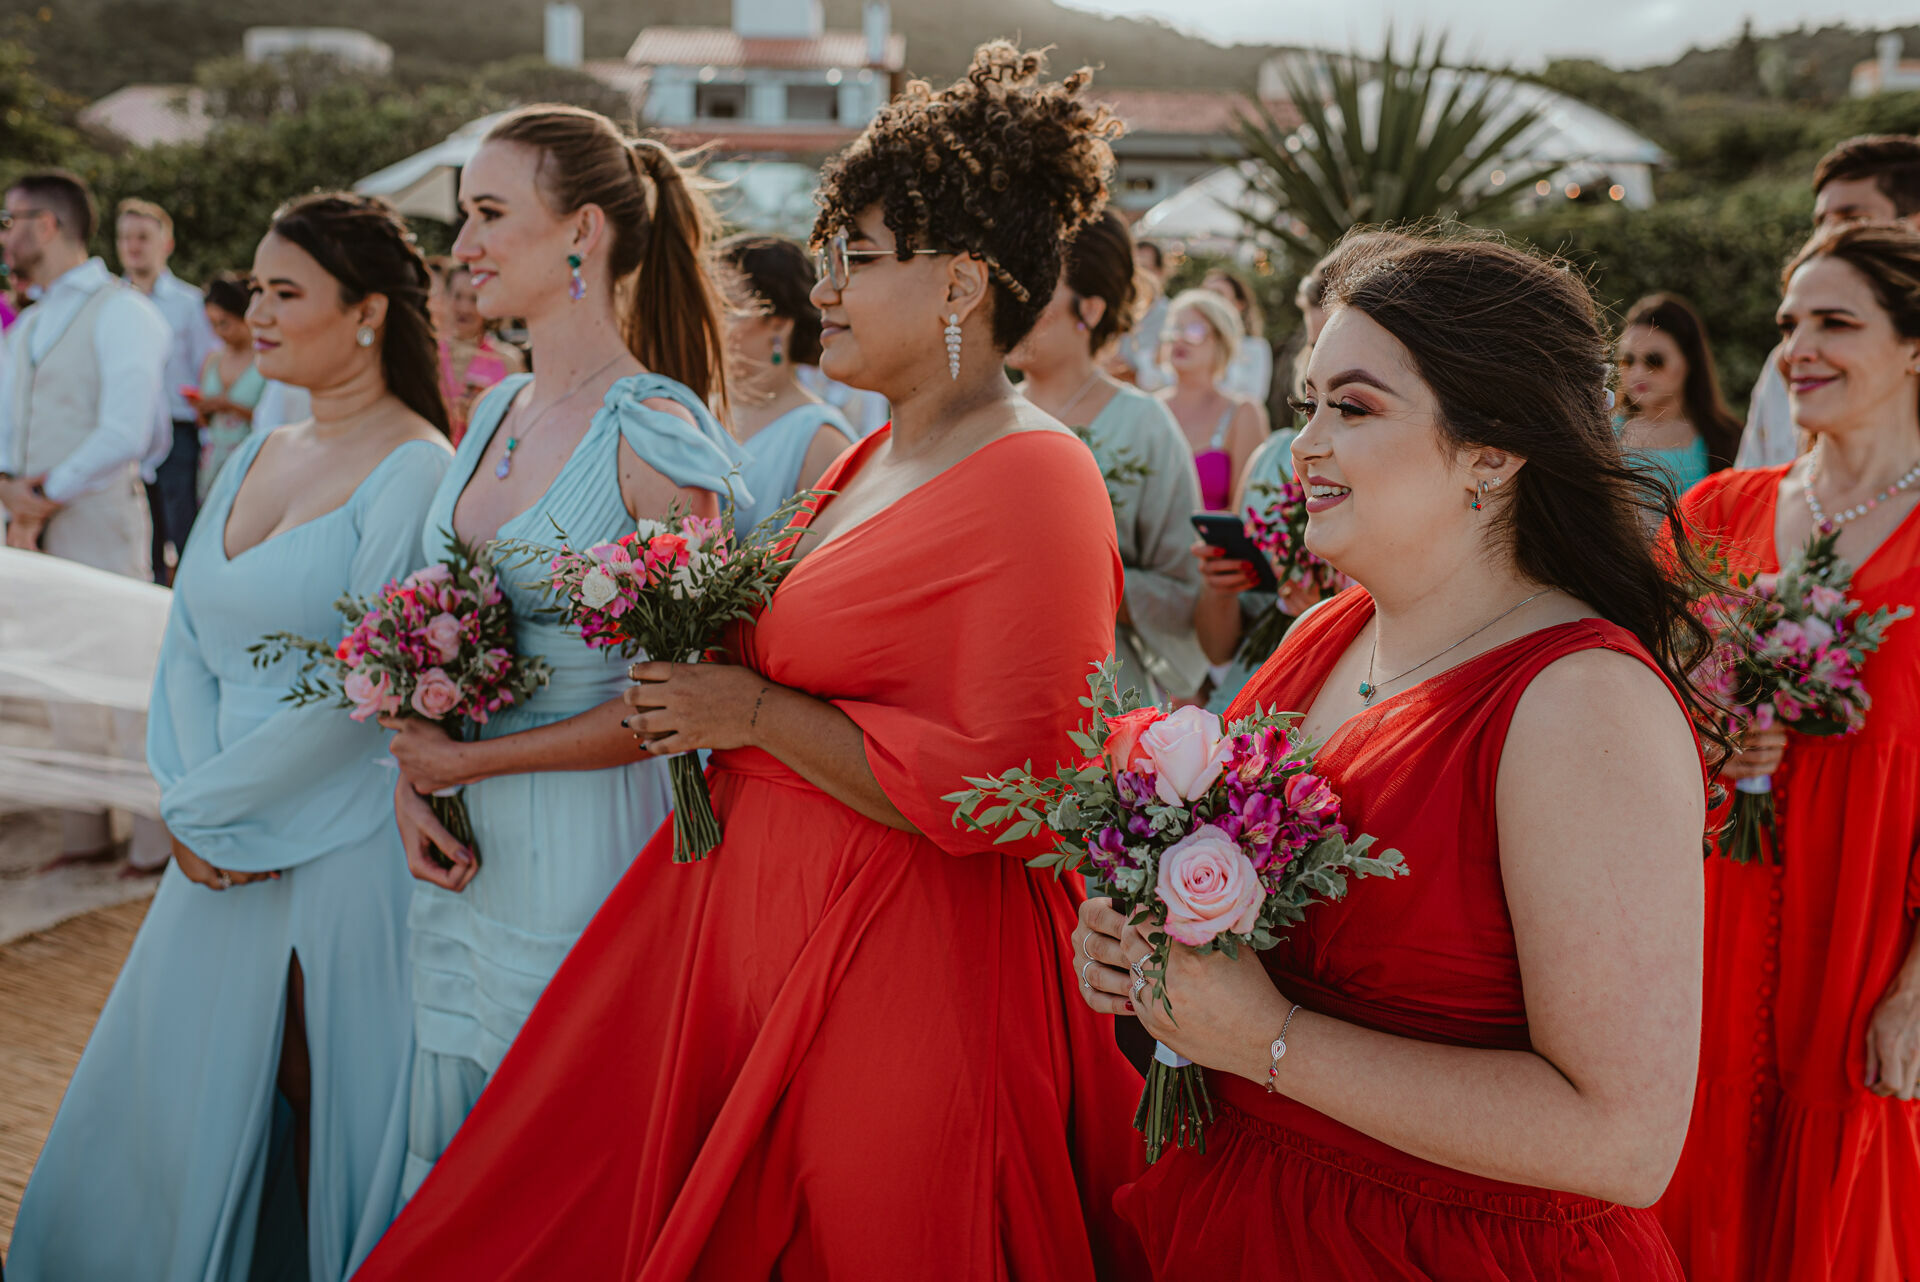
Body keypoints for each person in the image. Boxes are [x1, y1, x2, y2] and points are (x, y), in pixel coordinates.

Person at [355, 45, 1149, 1281]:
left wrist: (757, 713)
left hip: (907, 970)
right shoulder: (864, 459)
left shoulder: (1036, 470)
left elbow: (1026, 786)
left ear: (961, 284)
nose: (820, 287)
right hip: (759, 935)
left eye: (859, 260)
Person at [1078, 229, 1715, 1280]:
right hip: (1244, 1211)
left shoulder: (1582, 703)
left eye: (1354, 408)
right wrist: (1143, 942)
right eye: (1307, 405)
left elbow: (1625, 1142)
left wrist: (1273, 1041)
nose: (1305, 447)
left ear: (1493, 450)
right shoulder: (1322, 635)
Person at [8, 192, 454, 1282]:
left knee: (311, 1088)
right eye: (255, 286)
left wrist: (214, 809)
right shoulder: (263, 446)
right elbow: (191, 639)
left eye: (284, 291)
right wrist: (184, 793)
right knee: (176, 1099)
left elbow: (368, 681)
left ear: (364, 315)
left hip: (338, 836)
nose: (255, 310)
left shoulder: (419, 467)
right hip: (213, 832)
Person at [374, 103, 747, 1199]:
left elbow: (687, 704)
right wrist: (414, 772)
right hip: (460, 855)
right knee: (456, 1151)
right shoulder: (490, 412)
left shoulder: (658, 439)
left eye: (490, 214)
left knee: (558, 1164)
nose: (463, 246)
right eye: (462, 217)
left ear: (581, 231)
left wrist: (466, 765)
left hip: (585, 860)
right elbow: (428, 618)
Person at [1656, 220, 1920, 1282]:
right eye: (1788, 324)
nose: (1797, 347)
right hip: (1707, 923)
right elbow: (1629, 722)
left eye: (1834, 322)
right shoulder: (1714, 515)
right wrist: (1711, 732)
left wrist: (1916, 988)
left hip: (1860, 944)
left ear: (1913, 347)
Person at [0, 170, 172, 873]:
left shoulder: (122, 311)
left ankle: (154, 837)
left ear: (46, 225)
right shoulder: (33, 321)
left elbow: (128, 431)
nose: (6, 237)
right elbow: (12, 424)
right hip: (32, 522)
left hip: (98, 515)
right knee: (60, 672)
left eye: (10, 221)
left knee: (126, 665)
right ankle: (83, 831)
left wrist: (44, 493)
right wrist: (11, 491)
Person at [1009, 206, 1208, 704]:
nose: (1014, 298)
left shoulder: (1145, 425)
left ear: (1090, 310)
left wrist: (1083, 572)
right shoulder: (981, 415)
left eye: (1037, 283)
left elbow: (1183, 588)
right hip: (990, 681)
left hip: (1102, 694)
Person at [1739, 134, 1920, 469]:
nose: (1825, 240)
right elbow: (1753, 487)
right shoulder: (1788, 364)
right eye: (1821, 223)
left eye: (1852, 219)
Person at [716, 232, 854, 532]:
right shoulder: (698, 411)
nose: (711, 320)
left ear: (778, 322)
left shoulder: (821, 441)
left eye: (727, 308)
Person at [117, 198, 217, 581]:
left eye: (143, 236)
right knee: (136, 530)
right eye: (126, 237)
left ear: (166, 243)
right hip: (125, 433)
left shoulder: (190, 304)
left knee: (181, 525)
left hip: (179, 433)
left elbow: (205, 367)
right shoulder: (109, 304)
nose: (133, 246)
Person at [1614, 292, 1743, 494]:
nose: (1637, 372)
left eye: (1654, 360)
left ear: (1689, 361)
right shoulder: (1600, 434)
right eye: (1628, 361)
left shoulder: (1728, 441)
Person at [1158, 287, 1269, 512]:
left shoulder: (1243, 413)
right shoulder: (1148, 408)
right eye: (1175, 329)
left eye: (1194, 330)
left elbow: (1248, 509)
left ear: (1220, 340)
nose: (1180, 338)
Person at [429, 256, 527, 444]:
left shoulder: (507, 360)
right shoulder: (430, 352)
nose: (464, 308)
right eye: (458, 296)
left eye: (473, 299)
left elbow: (519, 424)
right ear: (446, 297)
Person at [194, 270, 264, 499]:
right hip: (213, 462)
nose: (218, 332)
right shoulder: (213, 359)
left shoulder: (264, 361)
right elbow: (204, 424)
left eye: (224, 323)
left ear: (243, 316)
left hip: (251, 461)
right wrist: (203, 409)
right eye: (212, 324)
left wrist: (231, 407)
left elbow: (276, 419)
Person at [1204, 266, 1273, 405]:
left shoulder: (1255, 348)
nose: (1209, 301)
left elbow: (1254, 397)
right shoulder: (1187, 342)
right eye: (1205, 294)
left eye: (1218, 294)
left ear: (1238, 305)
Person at [1111, 236, 1172, 390]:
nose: (1137, 276)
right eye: (1133, 268)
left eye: (1145, 268)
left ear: (1159, 273)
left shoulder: (1171, 315)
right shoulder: (1117, 309)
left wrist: (1134, 372)